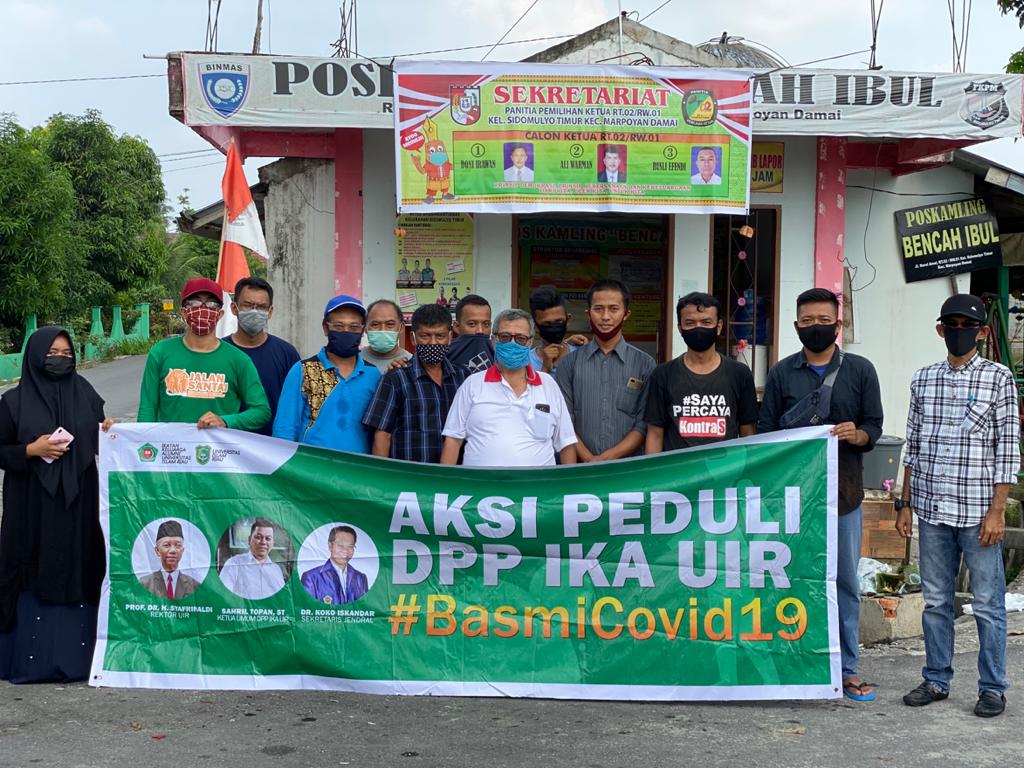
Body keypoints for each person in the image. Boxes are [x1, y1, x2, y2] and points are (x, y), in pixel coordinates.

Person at [757, 287, 883, 703]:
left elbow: (874, 426)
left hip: (843, 496)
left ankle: (846, 668)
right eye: (807, 321)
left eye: (823, 320)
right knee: (788, 580)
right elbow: (766, 432)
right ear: (796, 326)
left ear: (838, 324)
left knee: (844, 582)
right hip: (793, 499)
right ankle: (789, 662)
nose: (816, 327)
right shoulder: (781, 373)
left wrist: (857, 434)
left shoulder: (860, 370)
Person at [898, 294, 1020, 718]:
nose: (958, 332)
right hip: (932, 510)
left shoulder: (998, 378)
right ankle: (936, 679)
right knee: (935, 602)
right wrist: (904, 503)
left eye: (967, 326)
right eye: (951, 324)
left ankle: (993, 687)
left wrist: (998, 510)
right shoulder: (923, 379)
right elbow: (913, 445)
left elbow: (1007, 449)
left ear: (982, 332)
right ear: (940, 330)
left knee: (987, 605)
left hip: (978, 512)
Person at [0, 327, 113, 683]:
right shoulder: (13, 402)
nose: (60, 359)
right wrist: (30, 450)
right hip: (30, 504)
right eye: (52, 353)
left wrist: (110, 431)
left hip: (78, 502)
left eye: (66, 354)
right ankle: (24, 658)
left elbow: (100, 438)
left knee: (79, 560)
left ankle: (81, 658)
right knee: (30, 561)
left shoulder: (86, 393)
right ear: (35, 356)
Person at [441, 309, 577, 467]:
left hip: (538, 482)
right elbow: (453, 439)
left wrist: (570, 482)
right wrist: (445, 480)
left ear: (530, 342)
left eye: (520, 338)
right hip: (482, 482)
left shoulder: (548, 385)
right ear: (494, 339)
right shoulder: (472, 384)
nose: (512, 343)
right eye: (505, 337)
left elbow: (566, 442)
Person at [137, 277, 271, 432]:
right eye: (195, 303)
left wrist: (226, 421)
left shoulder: (239, 360)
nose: (203, 309)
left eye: (211, 304)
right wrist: (141, 438)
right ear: (184, 312)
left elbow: (261, 411)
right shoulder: (160, 353)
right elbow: (147, 409)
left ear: (220, 314)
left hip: (218, 446)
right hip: (171, 446)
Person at [645, 292, 758, 452]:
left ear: (719, 326)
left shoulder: (740, 374)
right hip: (678, 468)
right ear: (680, 328)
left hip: (725, 467)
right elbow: (655, 434)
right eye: (690, 323)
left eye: (706, 322)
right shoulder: (662, 374)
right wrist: (652, 468)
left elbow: (748, 433)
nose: (698, 328)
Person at [556, 280, 655, 461]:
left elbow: (643, 425)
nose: (605, 316)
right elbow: (564, 422)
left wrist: (602, 461)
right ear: (588, 313)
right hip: (581, 469)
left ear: (626, 314)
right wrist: (589, 461)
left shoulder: (645, 364)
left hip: (627, 471)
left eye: (613, 309)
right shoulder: (568, 364)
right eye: (598, 309)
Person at [273, 294, 381, 452]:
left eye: (354, 327)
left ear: (363, 330)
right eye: (338, 326)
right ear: (325, 327)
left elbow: (380, 431)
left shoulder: (374, 375)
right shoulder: (303, 370)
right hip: (312, 465)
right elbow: (285, 427)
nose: (346, 331)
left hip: (358, 466)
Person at [364, 303, 468, 463]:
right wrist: (380, 475)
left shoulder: (463, 377)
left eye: (440, 336)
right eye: (425, 336)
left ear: (450, 337)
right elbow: (382, 435)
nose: (433, 342)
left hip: (453, 475)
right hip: (408, 476)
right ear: (413, 338)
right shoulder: (395, 378)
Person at [223, 276, 300, 437]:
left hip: (272, 445)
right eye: (248, 305)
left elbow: (296, 404)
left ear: (270, 312)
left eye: (261, 307)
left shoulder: (287, 354)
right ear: (234, 308)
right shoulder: (219, 351)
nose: (255, 311)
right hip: (226, 443)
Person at [300, 525, 368, 605]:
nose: (345, 550)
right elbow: (307, 607)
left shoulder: (360, 578)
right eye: (340, 546)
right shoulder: (311, 577)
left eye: (350, 546)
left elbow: (365, 607)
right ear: (330, 546)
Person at [220, 519, 286, 600]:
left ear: (273, 543)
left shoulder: (276, 570)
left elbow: (282, 598)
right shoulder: (234, 564)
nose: (263, 542)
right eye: (258, 537)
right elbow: (223, 595)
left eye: (268, 538)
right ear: (249, 540)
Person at [528, 285, 583, 374]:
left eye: (558, 321)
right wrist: (545, 369)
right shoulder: (525, 362)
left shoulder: (581, 355)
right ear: (535, 326)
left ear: (568, 320)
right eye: (546, 323)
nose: (553, 327)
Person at [139, 520, 200, 600]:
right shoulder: (145, 583)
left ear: (182, 551)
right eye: (167, 545)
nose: (173, 550)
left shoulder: (194, 585)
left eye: (178, 545)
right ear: (157, 551)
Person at [447, 293, 495, 373]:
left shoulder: (501, 358)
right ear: (456, 327)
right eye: (472, 324)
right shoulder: (443, 360)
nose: (480, 331)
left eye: (486, 324)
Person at [361, 299, 412, 373]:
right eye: (375, 324)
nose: (382, 330)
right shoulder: (354, 360)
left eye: (390, 324)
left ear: (401, 328)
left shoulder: (410, 362)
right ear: (365, 328)